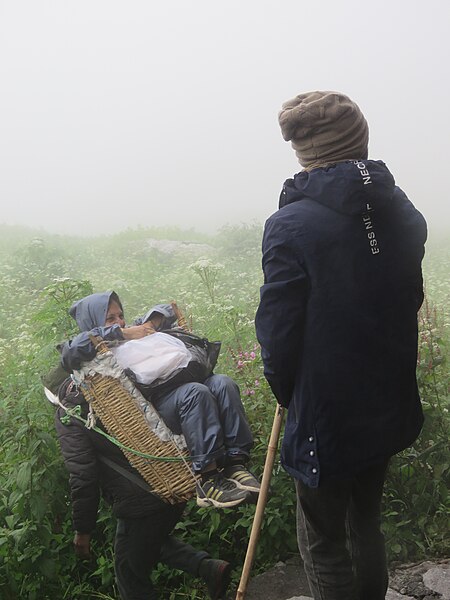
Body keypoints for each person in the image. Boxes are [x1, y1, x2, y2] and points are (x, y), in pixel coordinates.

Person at [255, 91, 427, 600]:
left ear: (304, 154)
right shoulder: (403, 214)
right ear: (361, 140)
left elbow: (278, 332)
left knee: (323, 540)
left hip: (326, 413)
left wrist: (285, 391)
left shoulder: (289, 226)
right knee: (365, 522)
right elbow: (409, 300)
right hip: (388, 400)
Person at [60, 291, 260, 509]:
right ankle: (208, 478)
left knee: (223, 384)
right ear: (95, 322)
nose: (119, 321)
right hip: (161, 405)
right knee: (196, 393)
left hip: (185, 386)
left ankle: (235, 462)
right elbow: (69, 352)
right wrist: (121, 332)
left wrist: (150, 324)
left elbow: (166, 309)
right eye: (111, 318)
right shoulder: (94, 348)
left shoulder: (135, 332)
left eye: (120, 316)